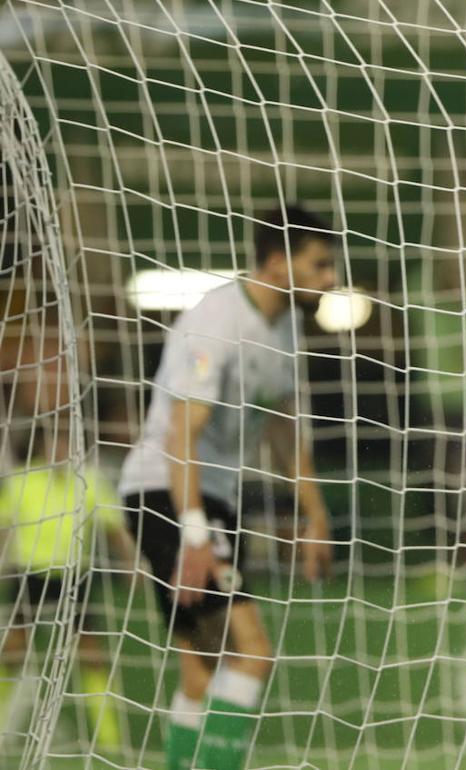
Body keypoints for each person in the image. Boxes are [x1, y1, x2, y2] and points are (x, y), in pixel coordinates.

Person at [118, 205, 336, 770]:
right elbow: (179, 436)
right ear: (276, 261)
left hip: (210, 499)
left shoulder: (286, 326)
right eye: (319, 265)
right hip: (166, 493)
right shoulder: (217, 322)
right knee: (253, 652)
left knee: (201, 668)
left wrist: (316, 517)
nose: (330, 278)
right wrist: (192, 533)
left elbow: (285, 430)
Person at [0, 424, 134, 751]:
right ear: (42, 447)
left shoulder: (89, 481)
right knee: (12, 651)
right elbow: (3, 527)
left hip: (75, 578)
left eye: (67, 443)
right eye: (54, 444)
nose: (60, 451)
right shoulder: (21, 480)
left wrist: (131, 562)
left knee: (90, 654)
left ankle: (110, 741)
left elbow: (115, 527)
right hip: (30, 575)